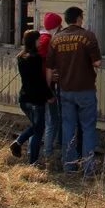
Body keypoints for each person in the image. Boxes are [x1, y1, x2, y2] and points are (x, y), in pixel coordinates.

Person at [46, 6, 101, 175]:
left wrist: (49, 91)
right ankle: (88, 167)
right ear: (78, 18)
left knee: (68, 126)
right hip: (85, 89)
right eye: (81, 17)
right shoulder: (88, 36)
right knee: (88, 127)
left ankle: (68, 165)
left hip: (65, 90)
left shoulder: (56, 40)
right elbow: (97, 63)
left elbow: (49, 68)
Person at [9, 30, 51, 164]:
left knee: (36, 127)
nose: (40, 42)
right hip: (35, 99)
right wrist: (49, 95)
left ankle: (19, 144)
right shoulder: (35, 58)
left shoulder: (21, 57)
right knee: (38, 129)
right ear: (33, 42)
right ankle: (32, 159)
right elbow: (39, 80)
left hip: (24, 97)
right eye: (38, 40)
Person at [38, 12, 63, 158]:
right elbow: (43, 64)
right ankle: (48, 152)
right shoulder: (47, 41)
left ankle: (42, 149)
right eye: (59, 27)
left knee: (44, 120)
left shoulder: (42, 38)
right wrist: (48, 77)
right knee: (52, 119)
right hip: (46, 88)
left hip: (44, 86)